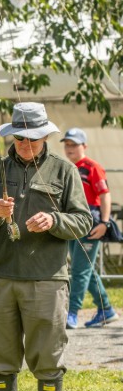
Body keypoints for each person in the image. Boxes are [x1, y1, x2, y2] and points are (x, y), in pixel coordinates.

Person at [0, 102, 92, 391]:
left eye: (33, 139)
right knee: (1, 358)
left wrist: (55, 221)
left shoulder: (64, 171)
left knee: (48, 357)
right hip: (1, 277)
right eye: (20, 138)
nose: (25, 145)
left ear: (45, 136)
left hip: (47, 279)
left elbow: (84, 221)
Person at [60, 128, 119, 328]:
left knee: (79, 270)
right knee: (85, 269)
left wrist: (105, 223)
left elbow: (105, 195)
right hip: (72, 222)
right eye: (67, 144)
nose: (70, 148)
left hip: (91, 224)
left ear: (84, 146)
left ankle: (72, 313)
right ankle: (107, 310)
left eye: (74, 144)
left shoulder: (93, 167)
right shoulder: (68, 168)